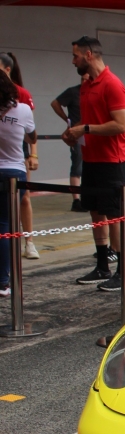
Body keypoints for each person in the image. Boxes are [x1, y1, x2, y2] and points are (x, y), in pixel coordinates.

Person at [62, 36, 125, 292]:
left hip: (112, 162)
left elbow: (120, 124)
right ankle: (103, 266)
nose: (73, 61)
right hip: (91, 160)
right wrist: (74, 134)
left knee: (116, 216)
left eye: (76, 56)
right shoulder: (86, 85)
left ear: (89, 54)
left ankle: (123, 271)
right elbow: (86, 124)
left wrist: (86, 129)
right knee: (95, 212)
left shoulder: (112, 84)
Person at [0, 71, 36, 297]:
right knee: (6, 225)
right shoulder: (22, 110)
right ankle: (4, 281)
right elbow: (31, 137)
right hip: (14, 171)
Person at [51, 75, 91, 214]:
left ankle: (87, 197)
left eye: (87, 79)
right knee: (77, 165)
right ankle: (76, 200)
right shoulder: (74, 92)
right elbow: (55, 103)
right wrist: (67, 120)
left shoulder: (93, 92)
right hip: (77, 134)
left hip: (91, 132)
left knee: (90, 166)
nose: (84, 82)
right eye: (82, 79)